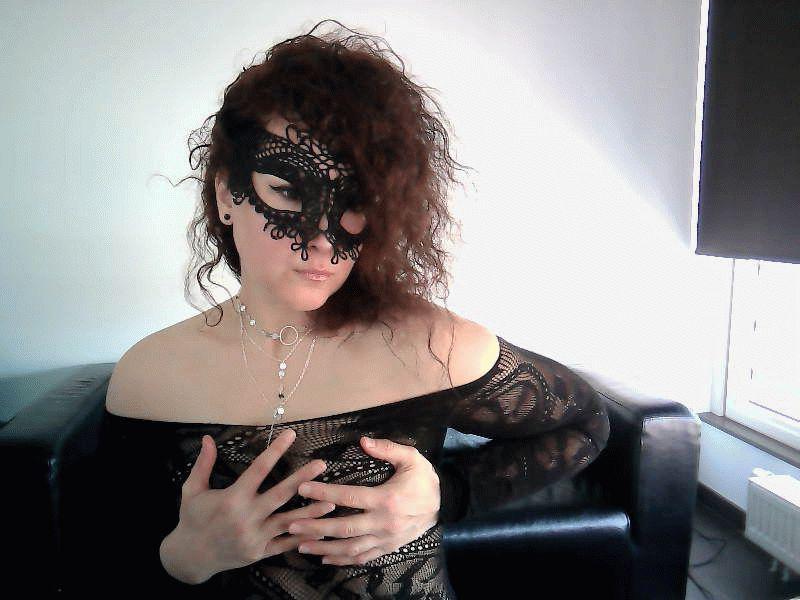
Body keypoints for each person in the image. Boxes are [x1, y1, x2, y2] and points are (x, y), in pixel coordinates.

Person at [98, 19, 611, 599]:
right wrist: (185, 557)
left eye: (356, 201)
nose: (322, 239)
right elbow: (100, 553)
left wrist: (445, 494)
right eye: (288, 191)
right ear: (225, 195)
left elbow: (585, 424)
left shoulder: (431, 346)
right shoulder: (149, 376)